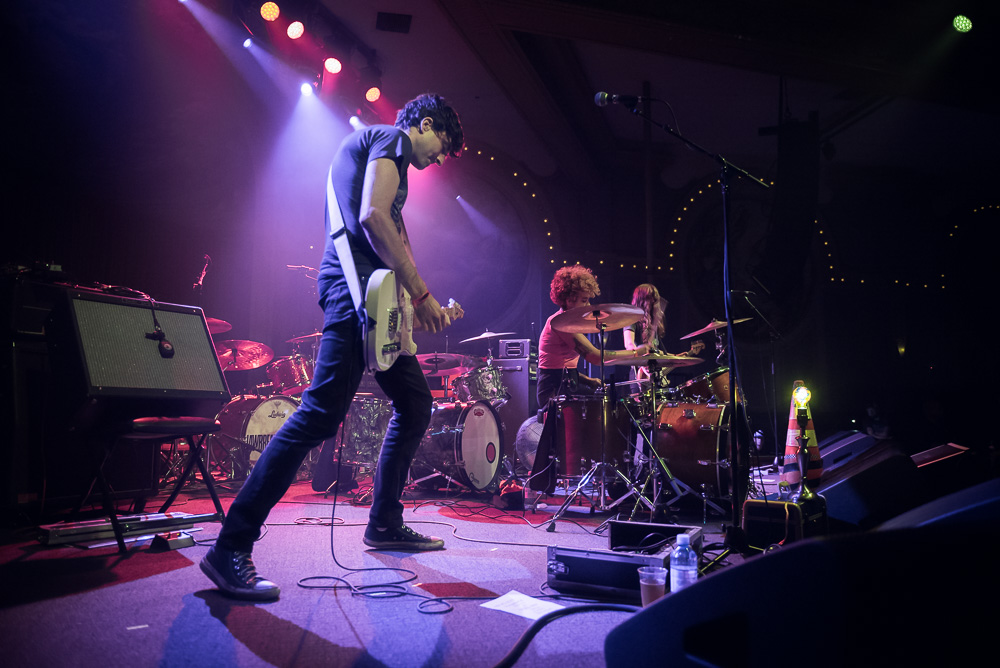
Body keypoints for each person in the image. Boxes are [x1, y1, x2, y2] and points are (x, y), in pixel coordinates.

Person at [200, 94, 465, 601]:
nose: (439, 159)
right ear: (426, 124)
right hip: (355, 292)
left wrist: (417, 304)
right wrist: (422, 294)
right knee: (319, 415)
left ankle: (384, 522)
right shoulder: (390, 138)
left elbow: (390, 238)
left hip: (372, 295)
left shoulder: (385, 155)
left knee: (415, 403)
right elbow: (373, 216)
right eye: (443, 145)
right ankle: (230, 545)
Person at [536, 266, 651, 407]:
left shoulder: (566, 322)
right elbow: (595, 357)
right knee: (603, 403)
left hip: (565, 385)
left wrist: (588, 380)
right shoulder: (561, 324)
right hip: (553, 393)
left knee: (604, 398)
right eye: (584, 300)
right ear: (569, 299)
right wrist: (635, 353)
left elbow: (565, 370)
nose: (588, 305)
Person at [622, 283, 702, 384]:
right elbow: (629, 344)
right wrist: (641, 358)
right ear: (641, 299)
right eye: (650, 297)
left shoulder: (653, 325)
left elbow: (656, 353)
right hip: (640, 375)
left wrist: (675, 356)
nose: (654, 301)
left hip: (656, 374)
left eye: (655, 298)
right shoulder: (631, 319)